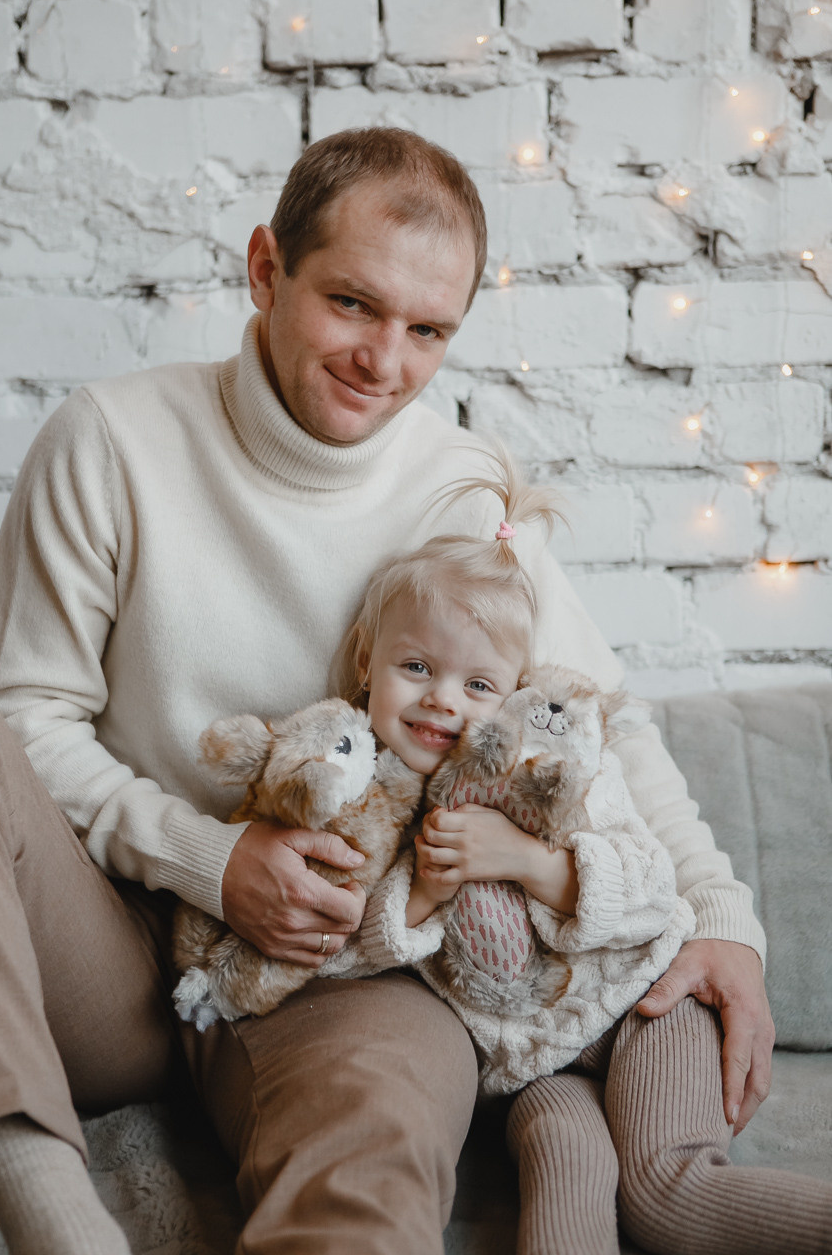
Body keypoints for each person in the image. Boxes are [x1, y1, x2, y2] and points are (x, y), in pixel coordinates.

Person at [0, 126, 785, 1255]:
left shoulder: (457, 487)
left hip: (342, 951)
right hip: (105, 946)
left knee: (375, 1142)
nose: (384, 360)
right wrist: (206, 857)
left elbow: (597, 716)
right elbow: (19, 720)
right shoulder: (111, 442)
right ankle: (49, 1209)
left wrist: (723, 919)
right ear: (267, 270)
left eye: (427, 330)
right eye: (353, 304)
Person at [323, 465, 832, 1255]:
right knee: (563, 1165)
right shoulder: (366, 800)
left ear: (514, 693)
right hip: (532, 1065)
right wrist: (420, 893)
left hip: (642, 1002)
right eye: (415, 667)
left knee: (668, 1195)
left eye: (478, 684)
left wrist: (530, 862)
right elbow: (356, 950)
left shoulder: (551, 768)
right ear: (367, 662)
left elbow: (652, 885)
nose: (442, 701)